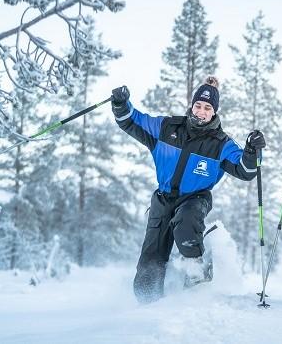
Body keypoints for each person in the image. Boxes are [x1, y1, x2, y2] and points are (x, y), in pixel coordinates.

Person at [110, 77, 266, 303]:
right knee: (147, 272)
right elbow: (131, 121)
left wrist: (252, 151)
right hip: (163, 200)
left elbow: (246, 170)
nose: (201, 111)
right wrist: (121, 104)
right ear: (192, 106)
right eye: (198, 106)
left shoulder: (221, 144)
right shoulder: (167, 128)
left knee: (186, 225)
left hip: (195, 199)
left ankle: (197, 280)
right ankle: (148, 310)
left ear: (214, 112)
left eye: (207, 108)